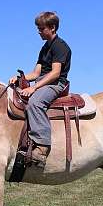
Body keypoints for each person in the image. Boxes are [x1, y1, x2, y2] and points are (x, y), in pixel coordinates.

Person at [8, 11, 72, 167]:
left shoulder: (60, 46)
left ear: (52, 27)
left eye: (41, 28)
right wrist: (19, 79)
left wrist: (34, 88)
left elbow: (56, 73)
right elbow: (36, 73)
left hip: (56, 83)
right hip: (43, 81)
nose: (38, 31)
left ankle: (42, 148)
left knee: (35, 102)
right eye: (38, 28)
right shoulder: (45, 48)